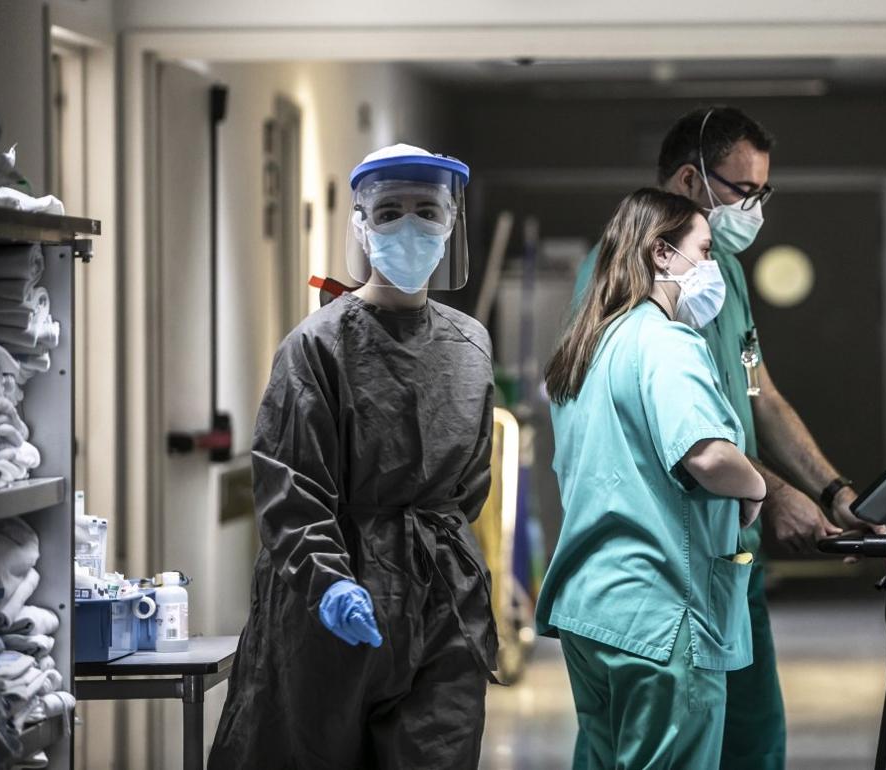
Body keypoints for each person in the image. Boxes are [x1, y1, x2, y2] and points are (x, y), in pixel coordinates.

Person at [572, 106, 884, 768]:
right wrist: (764, 491)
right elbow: (703, 447)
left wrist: (830, 490)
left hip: (667, 573)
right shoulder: (642, 319)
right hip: (669, 572)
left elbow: (756, 395)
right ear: (690, 181)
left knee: (724, 739)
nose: (756, 210)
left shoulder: (715, 284)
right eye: (745, 192)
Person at [209, 144, 499, 770]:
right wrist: (332, 582)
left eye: (428, 210)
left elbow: (470, 483)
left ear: (452, 222)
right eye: (389, 211)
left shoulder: (469, 344)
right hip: (333, 594)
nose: (410, 226)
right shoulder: (316, 345)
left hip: (439, 598)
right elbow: (291, 486)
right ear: (361, 225)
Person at [539, 188, 768, 769]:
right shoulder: (666, 342)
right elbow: (709, 456)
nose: (713, 267)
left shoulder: (587, 347)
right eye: (705, 250)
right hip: (661, 616)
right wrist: (756, 485)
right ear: (663, 254)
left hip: (592, 612)